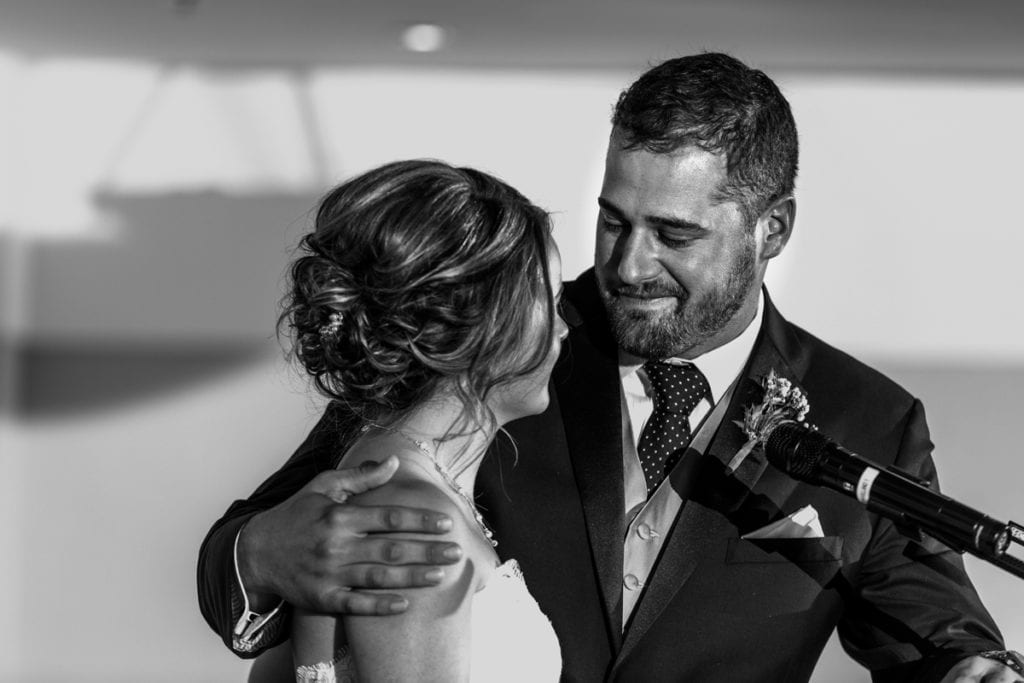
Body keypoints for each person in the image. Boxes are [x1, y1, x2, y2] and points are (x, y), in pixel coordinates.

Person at [199, 54, 1022, 682]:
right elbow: (267, 531)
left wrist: (970, 669)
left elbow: (934, 624)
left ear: (771, 229)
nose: (627, 265)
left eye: (674, 234)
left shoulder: (866, 418)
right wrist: (262, 553)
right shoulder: (492, 343)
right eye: (613, 220)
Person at [263, 159, 566, 680]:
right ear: (487, 324)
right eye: (550, 301)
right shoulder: (412, 526)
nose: (563, 328)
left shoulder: (382, 478)